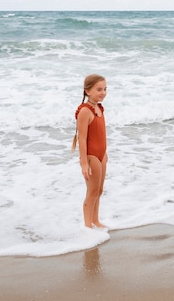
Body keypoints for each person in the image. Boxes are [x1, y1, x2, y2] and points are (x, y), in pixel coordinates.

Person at [72, 74, 109, 230]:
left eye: (105, 89)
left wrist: (105, 154)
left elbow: (101, 134)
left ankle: (96, 221)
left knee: (99, 191)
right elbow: (82, 139)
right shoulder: (85, 111)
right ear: (87, 91)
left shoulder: (99, 108)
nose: (103, 92)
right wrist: (84, 164)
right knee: (92, 191)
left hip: (102, 156)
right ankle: (87, 226)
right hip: (91, 156)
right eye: (99, 89)